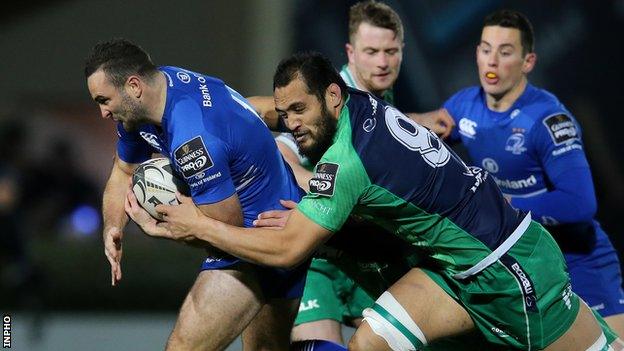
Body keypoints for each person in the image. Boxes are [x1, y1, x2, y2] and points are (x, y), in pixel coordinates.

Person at [132, 52, 621, 350]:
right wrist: (218, 107)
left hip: (511, 268)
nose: (292, 122)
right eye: (287, 114)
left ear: (332, 95)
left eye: (301, 110)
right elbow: (267, 111)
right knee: (370, 342)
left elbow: (286, 250)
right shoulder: (361, 104)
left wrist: (196, 224)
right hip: (454, 271)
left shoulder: (344, 163)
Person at [250, 2, 454, 347]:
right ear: (351, 53)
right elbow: (283, 150)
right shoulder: (325, 97)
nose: (382, 61)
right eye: (371, 51)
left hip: (367, 253)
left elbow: (370, 136)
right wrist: (321, 186)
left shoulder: (379, 100)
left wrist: (413, 119)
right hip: (317, 253)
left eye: (391, 51)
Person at [412, 9, 624, 337]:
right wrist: (416, 119)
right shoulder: (465, 105)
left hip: (579, 261)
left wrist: (509, 205)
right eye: (485, 49)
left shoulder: (549, 119)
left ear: (528, 62)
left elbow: (581, 204)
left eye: (505, 51)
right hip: (527, 266)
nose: (491, 61)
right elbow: (421, 128)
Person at [84, 38, 307, 351]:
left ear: (134, 86)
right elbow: (123, 171)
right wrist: (113, 225)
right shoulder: (158, 87)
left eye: (104, 100)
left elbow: (223, 229)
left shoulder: (192, 141)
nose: (103, 112)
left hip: (256, 239)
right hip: (275, 216)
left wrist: (163, 228)